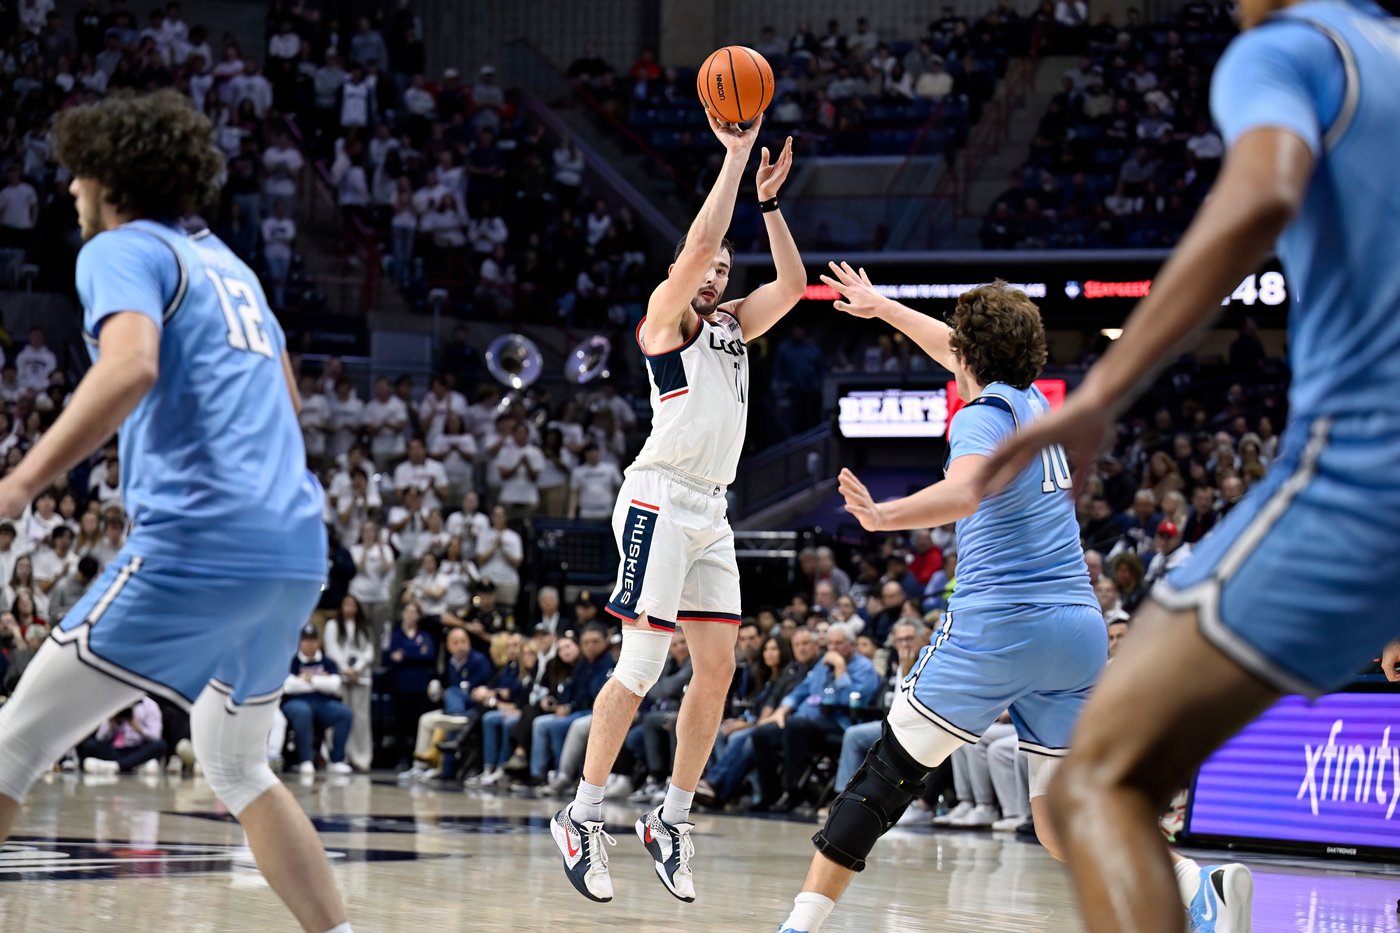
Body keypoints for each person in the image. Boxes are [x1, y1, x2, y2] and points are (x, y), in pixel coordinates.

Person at [981, 1, 1400, 930]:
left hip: (1366, 479)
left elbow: (1263, 192)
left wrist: (1103, 389)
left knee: (1095, 781)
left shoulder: (1288, 50)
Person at [0, 91, 349, 933]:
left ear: (113, 178)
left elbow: (130, 367)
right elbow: (288, 398)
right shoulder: (231, 266)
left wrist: (19, 483)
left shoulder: (121, 247)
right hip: (295, 549)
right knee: (238, 765)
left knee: (15, 744)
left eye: (80, 173)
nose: (70, 188)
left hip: (200, 542)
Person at [774, 275, 1107, 933]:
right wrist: (884, 308)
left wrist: (881, 515)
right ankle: (1192, 884)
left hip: (1001, 625)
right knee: (1058, 821)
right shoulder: (1035, 403)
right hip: (1078, 633)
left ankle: (798, 927)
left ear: (969, 357)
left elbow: (964, 492)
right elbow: (956, 345)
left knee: (884, 777)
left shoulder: (980, 416)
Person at [553, 114, 806, 905]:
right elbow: (698, 246)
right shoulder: (666, 316)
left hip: (711, 510)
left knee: (718, 668)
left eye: (727, 267)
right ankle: (581, 813)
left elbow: (795, 287)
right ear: (681, 269)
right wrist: (734, 158)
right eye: (707, 263)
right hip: (659, 496)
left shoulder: (733, 324)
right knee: (640, 664)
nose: (716, 273)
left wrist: (770, 206)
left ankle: (670, 818)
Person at [280, 623, 355, 775]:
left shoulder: (327, 662)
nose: (309, 643)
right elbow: (288, 686)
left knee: (344, 713)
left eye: (313, 640)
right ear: (299, 641)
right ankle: (306, 760)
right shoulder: (292, 661)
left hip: (323, 703)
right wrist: (321, 681)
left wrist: (308, 679)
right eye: (306, 640)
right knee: (303, 712)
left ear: (318, 641)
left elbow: (335, 685)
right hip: (295, 703)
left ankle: (337, 760)